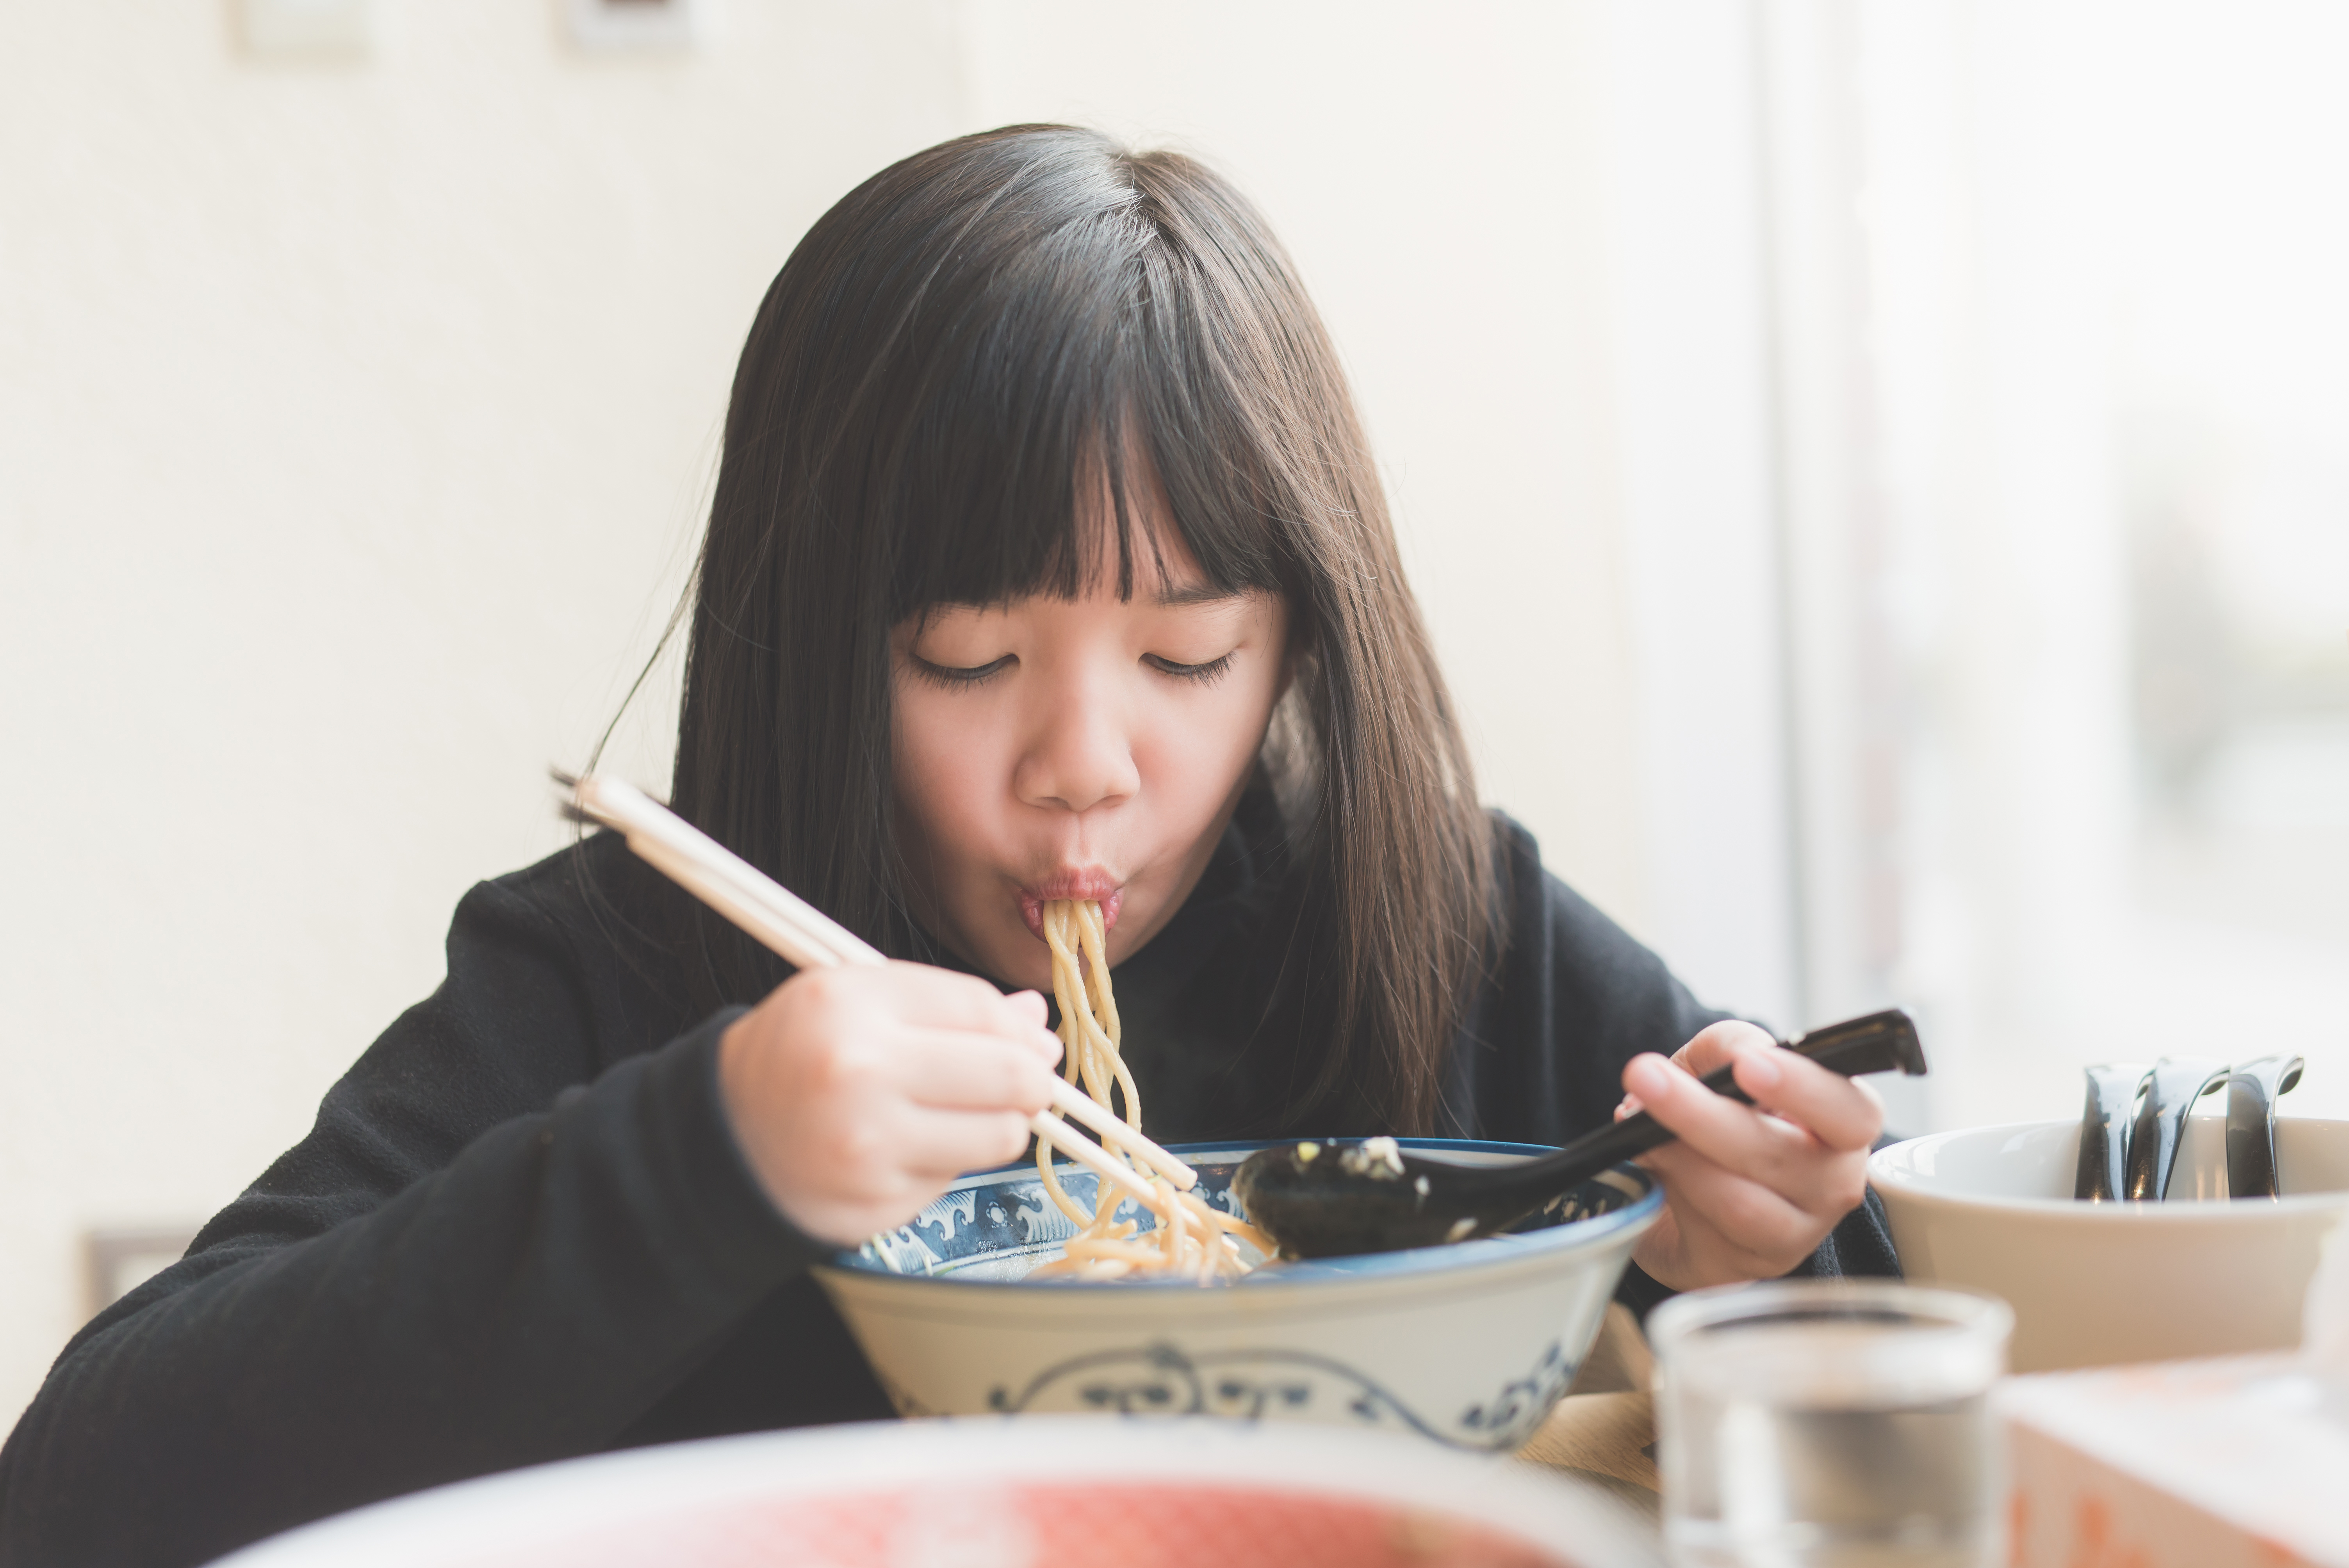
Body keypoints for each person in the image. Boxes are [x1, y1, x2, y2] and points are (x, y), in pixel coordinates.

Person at [0, 124, 1893, 1566]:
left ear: (1297, 643)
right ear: (824, 638)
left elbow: (1893, 1413)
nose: (1086, 764)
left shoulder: (1434, 924)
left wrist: (1767, 1271)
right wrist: (701, 1153)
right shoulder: (628, 975)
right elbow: (83, 1490)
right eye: (971, 656)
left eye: (1186, 653)